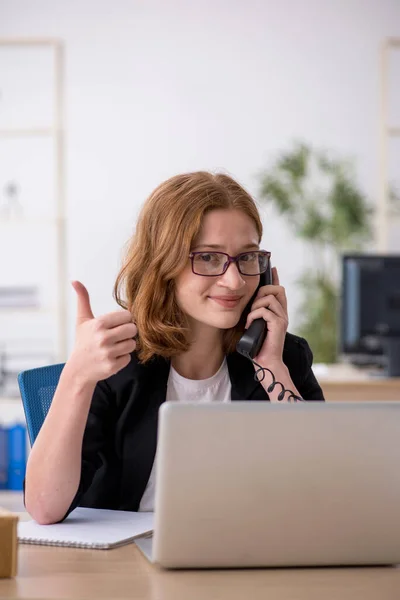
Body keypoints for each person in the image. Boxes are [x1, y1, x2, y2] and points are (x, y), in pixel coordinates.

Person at [24, 171, 324, 524]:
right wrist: (76, 375)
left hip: (245, 560)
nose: (235, 280)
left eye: (248, 257)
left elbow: (324, 490)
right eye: (209, 258)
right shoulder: (117, 363)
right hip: (124, 567)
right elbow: (45, 508)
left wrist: (272, 367)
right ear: (165, 264)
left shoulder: (282, 356)